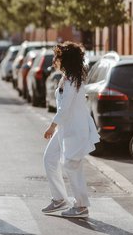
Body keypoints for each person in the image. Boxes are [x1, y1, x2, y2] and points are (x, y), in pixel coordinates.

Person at [41, 42, 99, 219]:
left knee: (71, 165)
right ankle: (59, 199)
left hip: (75, 129)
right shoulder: (67, 77)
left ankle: (81, 206)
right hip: (66, 127)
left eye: (57, 57)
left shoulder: (72, 80)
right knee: (50, 158)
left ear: (65, 59)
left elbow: (64, 108)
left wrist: (51, 126)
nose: (54, 60)